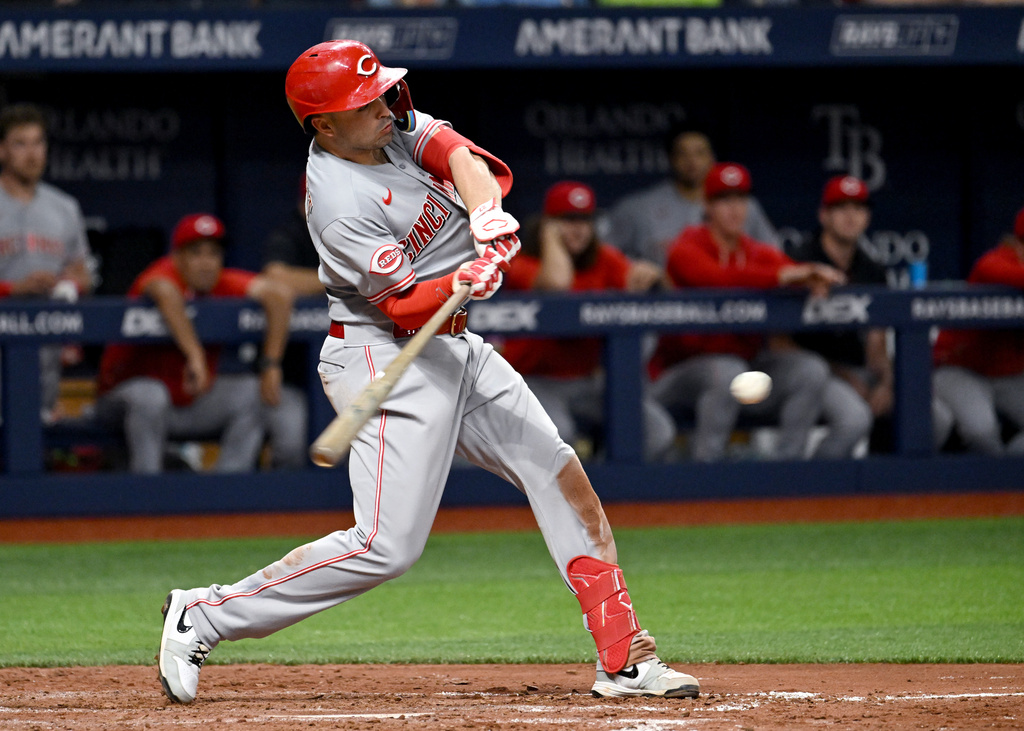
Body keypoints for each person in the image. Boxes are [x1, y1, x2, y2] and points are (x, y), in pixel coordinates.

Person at [157, 40, 700, 705]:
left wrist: (484, 215)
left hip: (452, 343)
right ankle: (204, 613)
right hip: (383, 350)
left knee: (555, 467)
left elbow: (459, 156)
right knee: (387, 546)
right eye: (364, 101)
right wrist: (462, 276)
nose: (385, 104)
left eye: (382, 90)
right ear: (324, 125)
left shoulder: (389, 125)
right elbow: (407, 304)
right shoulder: (336, 201)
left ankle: (624, 656)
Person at [650, 162, 846, 462]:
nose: (734, 209)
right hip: (679, 373)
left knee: (810, 369)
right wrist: (786, 277)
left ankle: (786, 473)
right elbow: (715, 279)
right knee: (727, 372)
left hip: (745, 369)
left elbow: (793, 272)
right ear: (707, 205)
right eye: (724, 200)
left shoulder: (756, 252)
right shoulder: (686, 246)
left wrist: (813, 280)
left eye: (741, 200)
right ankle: (707, 479)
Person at [95, 213, 294, 473]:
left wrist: (271, 364)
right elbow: (164, 292)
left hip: (187, 401)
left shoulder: (222, 282)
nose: (206, 263)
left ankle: (227, 491)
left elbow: (280, 295)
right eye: (196, 253)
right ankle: (147, 497)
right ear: (177, 257)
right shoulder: (162, 273)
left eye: (213, 254)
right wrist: (195, 355)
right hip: (120, 401)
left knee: (253, 393)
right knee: (150, 396)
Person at [501, 180, 675, 461]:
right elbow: (558, 283)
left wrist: (653, 275)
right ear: (548, 224)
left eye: (585, 219)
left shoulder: (604, 258)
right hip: (534, 380)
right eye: (568, 219)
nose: (579, 228)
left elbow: (654, 287)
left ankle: (607, 490)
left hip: (587, 382)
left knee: (657, 431)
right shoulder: (524, 260)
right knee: (562, 437)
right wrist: (549, 236)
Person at [0, 102, 94, 422]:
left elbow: (83, 274)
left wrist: (67, 283)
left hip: (45, 352)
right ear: (2, 151)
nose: (32, 153)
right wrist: (14, 288)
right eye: (20, 144)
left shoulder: (64, 207)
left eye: (38, 143)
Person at [786, 175, 887, 458]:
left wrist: (887, 383)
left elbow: (877, 345)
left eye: (858, 209)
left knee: (928, 413)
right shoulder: (800, 263)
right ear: (824, 215)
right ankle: (813, 489)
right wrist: (842, 375)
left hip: (857, 371)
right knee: (854, 420)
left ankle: (886, 494)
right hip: (809, 372)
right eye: (841, 208)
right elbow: (778, 342)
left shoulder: (872, 270)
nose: (851, 217)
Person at [606, 123, 780, 268]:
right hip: (659, 303)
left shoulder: (745, 206)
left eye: (700, 153)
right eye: (683, 154)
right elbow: (603, 258)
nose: (692, 162)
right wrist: (635, 269)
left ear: (712, 157)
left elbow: (774, 254)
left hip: (737, 301)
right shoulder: (637, 208)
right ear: (671, 159)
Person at [932, 206, 1024, 455]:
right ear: (1016, 243)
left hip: (1011, 374)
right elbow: (1007, 274)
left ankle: (1008, 479)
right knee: (982, 433)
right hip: (960, 369)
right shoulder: (994, 263)